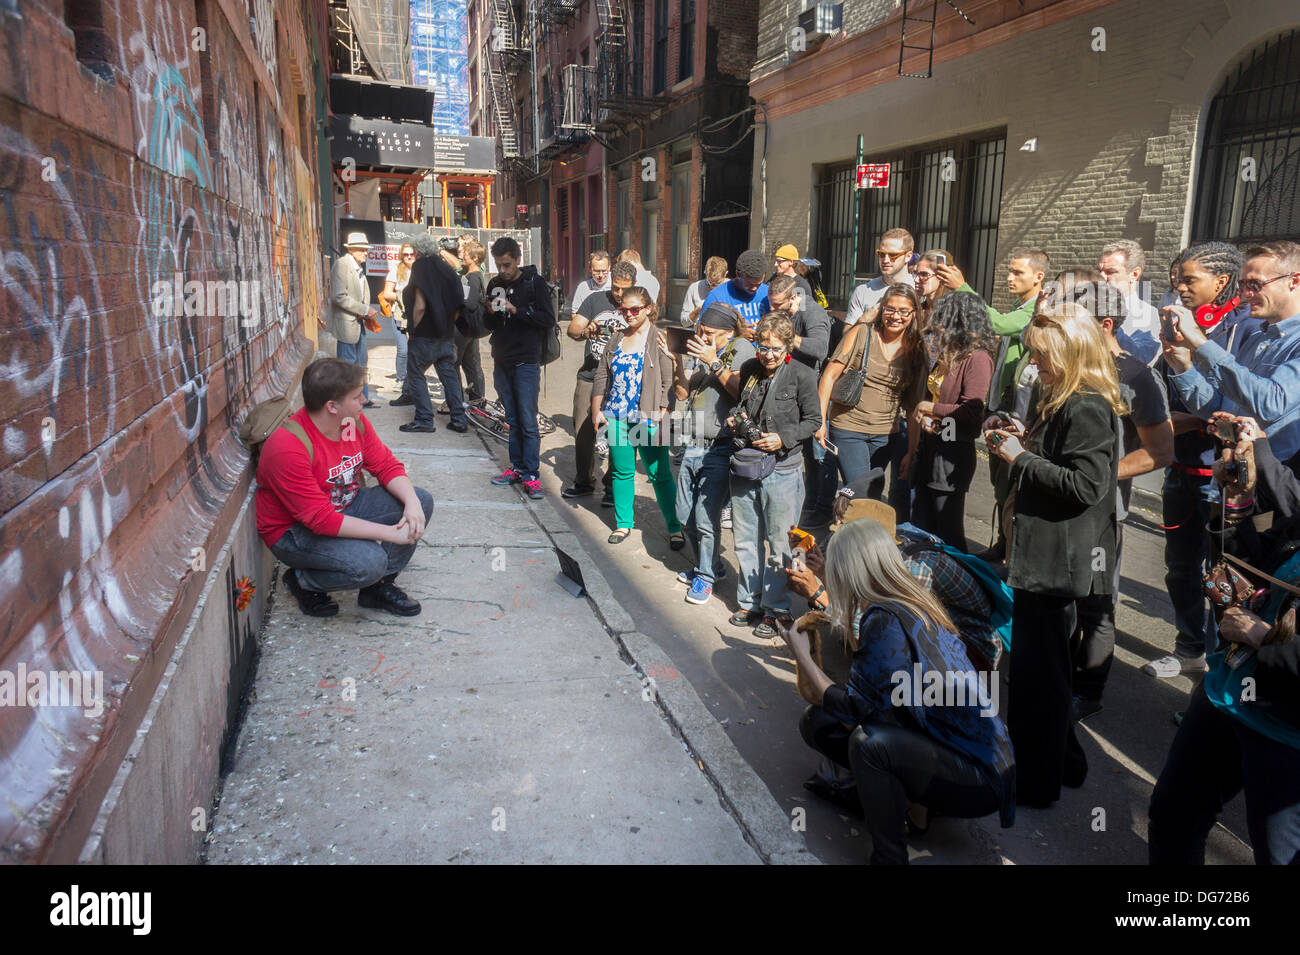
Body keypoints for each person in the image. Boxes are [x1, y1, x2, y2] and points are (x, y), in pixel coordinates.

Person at [780, 516, 1016, 865]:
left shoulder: (885, 618)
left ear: (851, 571)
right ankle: (905, 805)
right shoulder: (909, 597)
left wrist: (802, 655)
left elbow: (855, 709)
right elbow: (877, 700)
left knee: (869, 745)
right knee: (822, 722)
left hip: (977, 776)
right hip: (974, 757)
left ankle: (889, 855)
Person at [984, 300, 1124, 808]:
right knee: (1046, 674)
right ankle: (1065, 764)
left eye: (1042, 355)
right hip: (1046, 554)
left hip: (1057, 561)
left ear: (1069, 352)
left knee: (1037, 682)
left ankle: (1037, 783)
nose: (1034, 364)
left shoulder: (1085, 403)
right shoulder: (1063, 395)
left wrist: (1019, 458)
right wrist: (1026, 445)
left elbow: (1088, 486)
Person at [1148, 415, 1300, 865]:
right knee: (1175, 815)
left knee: (1279, 857)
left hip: (1287, 732)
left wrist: (1265, 637)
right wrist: (1235, 503)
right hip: (1226, 695)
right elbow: (1239, 578)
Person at [1055, 278, 1172, 720]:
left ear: (1105, 324)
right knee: (1060, 598)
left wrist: (1099, 476)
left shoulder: (1138, 377)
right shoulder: (1068, 366)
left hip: (1104, 514)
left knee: (1096, 605)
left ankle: (1089, 691)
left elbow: (1159, 452)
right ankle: (1059, 676)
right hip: (1058, 506)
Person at [1146, 242, 1261, 678]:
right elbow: (1160, 388)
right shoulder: (1180, 324)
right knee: (1179, 570)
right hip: (1180, 470)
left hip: (1223, 479)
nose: (1180, 287)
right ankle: (1189, 649)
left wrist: (1192, 415)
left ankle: (1220, 669)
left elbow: (1230, 408)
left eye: (1189, 279)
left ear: (1221, 281)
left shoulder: (1245, 329)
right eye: (1178, 279)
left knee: (1223, 579)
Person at [256, 358, 434, 618]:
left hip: (344, 505)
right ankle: (303, 580)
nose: (364, 400)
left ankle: (377, 588)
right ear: (332, 406)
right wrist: (390, 533)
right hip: (294, 532)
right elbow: (320, 520)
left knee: (421, 499)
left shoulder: (351, 423)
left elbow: (385, 466)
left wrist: (412, 503)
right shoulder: (288, 446)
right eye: (356, 396)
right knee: (370, 562)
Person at [937, 249, 1048, 562]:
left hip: (1019, 416)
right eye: (1009, 272)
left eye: (1018, 273)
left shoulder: (1032, 313)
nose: (1010, 278)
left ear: (1039, 277)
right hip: (999, 410)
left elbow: (996, 323)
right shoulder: (1019, 306)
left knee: (1012, 487)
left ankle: (1011, 552)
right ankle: (1002, 543)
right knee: (1000, 484)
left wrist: (963, 288)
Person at [726, 313, 822, 639]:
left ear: (788, 346)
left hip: (783, 468)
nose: (768, 355)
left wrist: (783, 438)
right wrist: (733, 419)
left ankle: (777, 608)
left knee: (780, 542)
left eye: (775, 349)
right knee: (745, 538)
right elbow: (741, 404)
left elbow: (814, 420)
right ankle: (749, 601)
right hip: (747, 466)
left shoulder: (802, 375)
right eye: (762, 347)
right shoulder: (751, 369)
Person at [1164, 240, 1300, 463]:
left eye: (1255, 284)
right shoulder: (1258, 337)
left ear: (1293, 281)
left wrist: (1200, 343)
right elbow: (1216, 406)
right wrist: (1182, 366)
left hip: (1274, 482)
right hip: (1230, 476)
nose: (1246, 294)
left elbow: (1272, 404)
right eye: (1243, 284)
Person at [671, 303, 755, 604]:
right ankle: (712, 566)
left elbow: (740, 390)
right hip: (691, 442)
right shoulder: (708, 353)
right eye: (699, 331)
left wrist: (713, 360)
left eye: (708, 333)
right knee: (683, 514)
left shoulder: (741, 347)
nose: (701, 337)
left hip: (717, 447)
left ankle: (705, 578)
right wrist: (677, 363)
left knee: (706, 519)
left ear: (728, 332)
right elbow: (683, 393)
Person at [816, 285, 927, 510]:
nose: (896, 316)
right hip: (848, 427)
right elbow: (829, 375)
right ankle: (851, 538)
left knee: (872, 492)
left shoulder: (916, 349)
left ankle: (849, 535)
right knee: (860, 492)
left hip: (886, 434)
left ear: (914, 313)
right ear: (881, 309)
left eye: (904, 311)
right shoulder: (862, 333)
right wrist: (819, 421)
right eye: (890, 309)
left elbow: (914, 406)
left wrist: (911, 451)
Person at [591, 286, 681, 545]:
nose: (628, 314)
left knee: (659, 473)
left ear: (648, 309)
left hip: (647, 416)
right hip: (616, 415)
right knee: (621, 471)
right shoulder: (617, 337)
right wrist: (598, 410)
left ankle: (675, 526)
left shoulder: (659, 338)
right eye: (623, 310)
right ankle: (623, 524)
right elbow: (602, 375)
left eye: (634, 309)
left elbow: (668, 380)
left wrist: (660, 413)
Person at [907, 291, 996, 551]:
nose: (936, 323)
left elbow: (971, 412)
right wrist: (930, 423)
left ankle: (959, 586)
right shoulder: (949, 354)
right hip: (932, 446)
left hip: (951, 456)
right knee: (926, 527)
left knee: (948, 532)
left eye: (943, 317)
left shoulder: (978, 359)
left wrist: (929, 407)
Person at [486, 236, 557, 500]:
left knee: (528, 421)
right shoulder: (494, 284)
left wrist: (516, 310)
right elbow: (490, 325)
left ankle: (531, 474)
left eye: (506, 265)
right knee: (512, 418)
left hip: (527, 360)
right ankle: (516, 467)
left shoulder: (533, 283)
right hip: (502, 359)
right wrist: (489, 313)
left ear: (517, 260)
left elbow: (547, 319)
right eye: (498, 265)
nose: (502, 271)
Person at [564, 261, 638, 504]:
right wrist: (586, 331)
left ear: (634, 286)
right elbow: (573, 329)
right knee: (583, 430)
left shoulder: (637, 306)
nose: (618, 294)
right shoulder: (596, 300)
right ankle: (584, 481)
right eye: (615, 288)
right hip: (590, 374)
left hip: (621, 381)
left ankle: (611, 488)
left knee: (618, 435)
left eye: (624, 289)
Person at [768, 274, 835, 526]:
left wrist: (785, 336)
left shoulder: (812, 312)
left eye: (777, 305)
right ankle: (807, 502)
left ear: (794, 297)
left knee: (818, 453)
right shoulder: (786, 310)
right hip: (790, 388)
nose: (772, 309)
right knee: (804, 450)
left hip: (812, 390)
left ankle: (821, 509)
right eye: (770, 304)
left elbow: (820, 349)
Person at [398, 235, 468, 435]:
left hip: (425, 334)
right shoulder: (447, 268)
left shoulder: (421, 267)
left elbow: (420, 305)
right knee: (449, 375)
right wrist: (446, 325)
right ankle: (459, 419)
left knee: (416, 374)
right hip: (446, 335)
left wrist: (412, 330)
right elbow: (458, 304)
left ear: (418, 252)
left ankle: (424, 419)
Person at [329, 233, 380, 407]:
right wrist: (365, 309)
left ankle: (361, 399)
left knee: (360, 362)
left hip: (358, 323)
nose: (365, 253)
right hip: (346, 324)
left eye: (365, 250)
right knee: (348, 366)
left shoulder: (356, 265)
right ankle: (347, 402)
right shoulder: (342, 265)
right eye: (361, 250)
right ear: (350, 249)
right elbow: (338, 296)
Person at [1098, 239, 1161, 363]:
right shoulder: (1087, 307)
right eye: (1099, 271)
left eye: (1110, 272)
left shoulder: (1151, 317)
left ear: (1134, 274)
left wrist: (1108, 329)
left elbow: (1143, 359)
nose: (1101, 277)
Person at [844, 228, 916, 325]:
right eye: (881, 254)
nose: (885, 260)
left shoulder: (919, 290)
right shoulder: (863, 291)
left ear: (908, 256)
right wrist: (863, 321)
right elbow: (847, 335)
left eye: (892, 255)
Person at [451, 236, 488, 406]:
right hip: (467, 329)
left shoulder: (473, 277)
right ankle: (476, 401)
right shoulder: (471, 274)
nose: (462, 257)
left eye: (465, 254)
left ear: (475, 258)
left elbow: (471, 303)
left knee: (452, 364)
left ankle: (457, 402)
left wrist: (453, 298)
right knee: (469, 365)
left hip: (464, 328)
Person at [702, 249, 771, 334]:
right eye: (749, 284)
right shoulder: (716, 296)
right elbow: (703, 332)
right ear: (738, 275)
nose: (754, 288)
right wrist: (737, 334)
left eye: (758, 284)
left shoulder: (769, 293)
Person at [381, 241, 416, 406]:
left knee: (415, 350)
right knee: (403, 350)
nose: (409, 257)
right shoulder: (396, 269)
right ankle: (401, 379)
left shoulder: (421, 270)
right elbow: (387, 293)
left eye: (412, 254)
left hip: (417, 316)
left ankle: (412, 381)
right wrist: (404, 297)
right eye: (406, 254)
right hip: (399, 315)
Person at [679, 255, 728, 326]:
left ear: (726, 274)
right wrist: (698, 310)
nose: (712, 287)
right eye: (709, 282)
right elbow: (684, 322)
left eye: (717, 284)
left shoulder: (732, 289)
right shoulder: (694, 288)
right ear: (705, 272)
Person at [570, 251, 612, 315]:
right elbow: (575, 314)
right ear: (590, 268)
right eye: (596, 271)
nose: (600, 275)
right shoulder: (583, 288)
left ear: (609, 267)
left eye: (604, 271)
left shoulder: (617, 284)